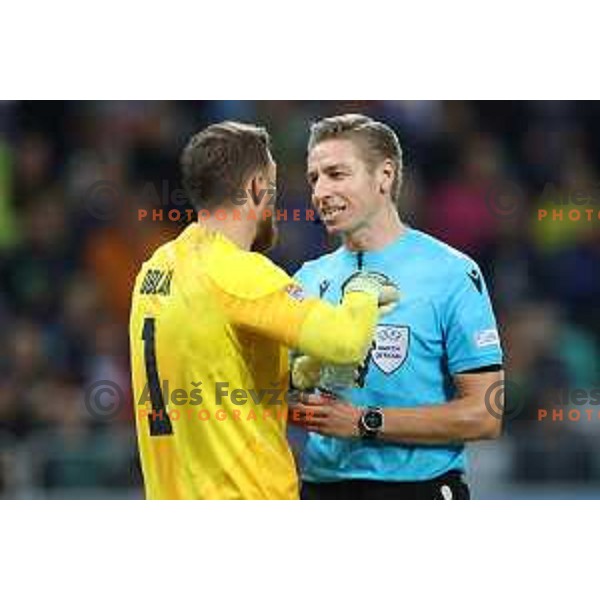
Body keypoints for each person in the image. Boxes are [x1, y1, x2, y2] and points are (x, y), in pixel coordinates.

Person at [128, 121, 398, 499]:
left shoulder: (156, 269)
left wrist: (293, 376)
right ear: (256, 188)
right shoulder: (239, 273)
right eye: (273, 187)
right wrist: (363, 287)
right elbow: (346, 341)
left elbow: (209, 364)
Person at [290, 114, 504, 500]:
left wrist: (364, 421)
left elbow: (485, 414)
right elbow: (284, 391)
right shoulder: (305, 279)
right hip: (320, 490)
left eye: (336, 174)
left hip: (418, 491)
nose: (320, 191)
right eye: (314, 178)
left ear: (384, 176)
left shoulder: (451, 273)